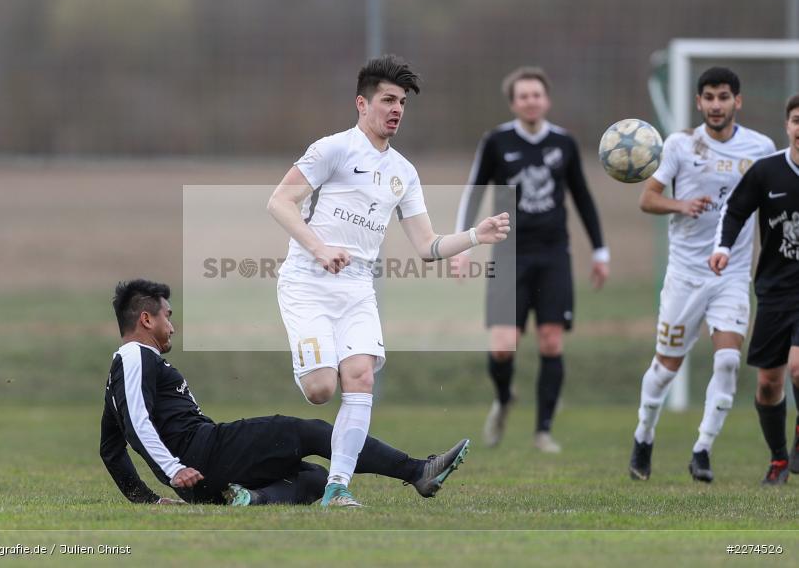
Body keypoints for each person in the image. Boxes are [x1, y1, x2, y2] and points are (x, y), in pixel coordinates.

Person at [267, 55, 510, 507]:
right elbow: (279, 202)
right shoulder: (331, 149)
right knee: (321, 390)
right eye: (387, 100)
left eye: (401, 102)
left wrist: (478, 235)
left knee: (359, 377)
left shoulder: (403, 172)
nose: (396, 109)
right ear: (362, 104)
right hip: (306, 280)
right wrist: (319, 248)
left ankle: (337, 488)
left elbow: (426, 245)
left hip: (358, 287)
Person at [100, 279, 471, 506]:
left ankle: (251, 500)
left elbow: (110, 448)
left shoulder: (123, 372)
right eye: (167, 316)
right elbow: (136, 422)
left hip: (200, 480)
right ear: (146, 319)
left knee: (311, 478)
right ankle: (418, 471)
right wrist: (173, 469)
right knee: (305, 431)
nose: (172, 326)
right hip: (202, 455)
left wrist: (147, 500)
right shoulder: (135, 355)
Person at [628, 67, 776, 483]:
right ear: (698, 102)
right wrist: (681, 205)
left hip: (731, 274)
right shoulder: (680, 144)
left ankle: (703, 450)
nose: (716, 105)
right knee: (666, 368)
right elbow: (648, 199)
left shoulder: (761, 148)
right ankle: (643, 435)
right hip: (685, 275)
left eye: (723, 97)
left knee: (729, 359)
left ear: (737, 101)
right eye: (708, 97)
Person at [454, 66, 608, 453]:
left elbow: (583, 198)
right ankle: (504, 398)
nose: (530, 101)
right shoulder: (496, 142)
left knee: (551, 342)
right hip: (509, 254)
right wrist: (462, 245)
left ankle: (543, 431)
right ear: (513, 102)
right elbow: (473, 193)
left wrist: (600, 251)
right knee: (503, 346)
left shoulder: (565, 143)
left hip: (554, 253)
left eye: (536, 94)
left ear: (547, 99)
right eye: (523, 96)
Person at [709, 94, 799, 485]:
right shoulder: (767, 171)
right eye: (797, 119)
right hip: (775, 292)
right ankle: (779, 459)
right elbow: (736, 210)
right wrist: (723, 247)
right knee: (768, 385)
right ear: (788, 125)